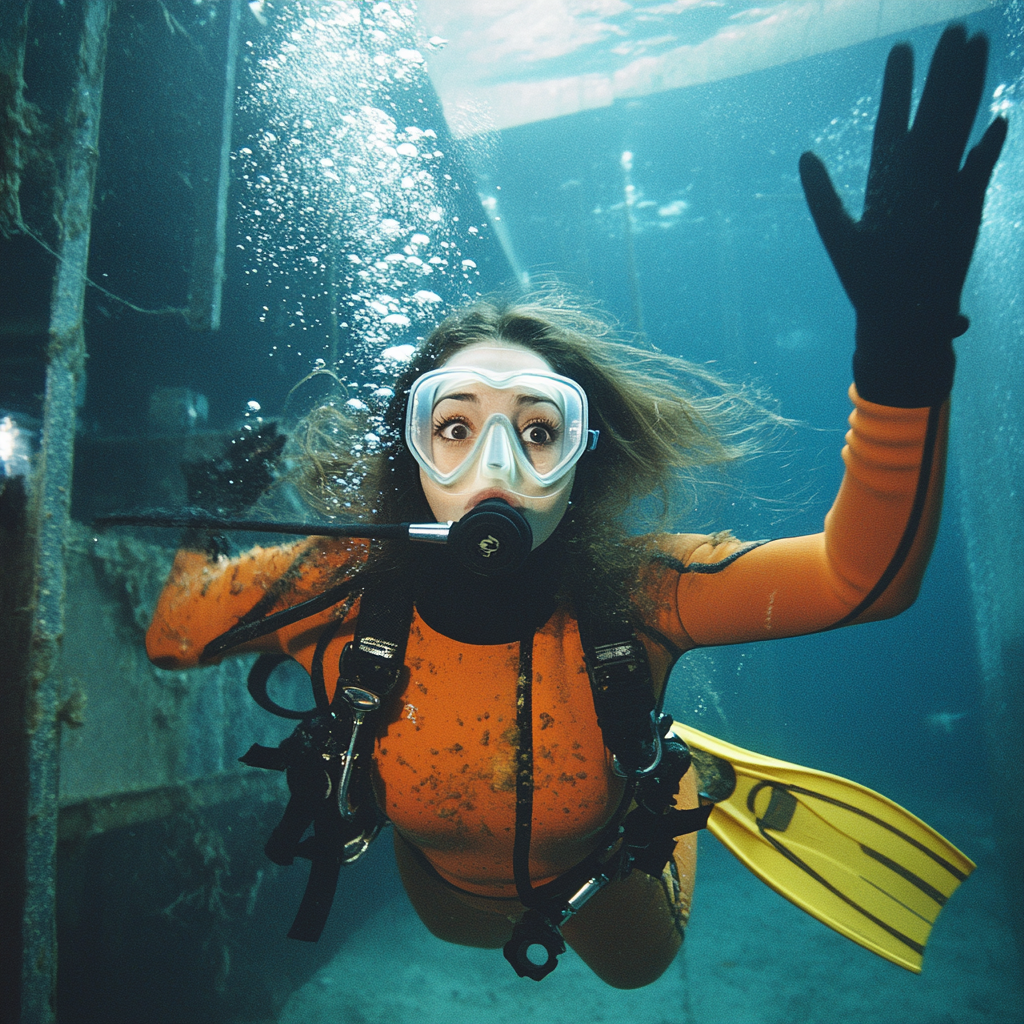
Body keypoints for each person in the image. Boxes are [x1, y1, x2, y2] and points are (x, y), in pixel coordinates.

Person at [145, 26, 1006, 989]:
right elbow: (176, 635)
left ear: (583, 461)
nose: (496, 469)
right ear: (412, 453)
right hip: (444, 892)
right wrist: (206, 528)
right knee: (459, 932)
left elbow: (863, 580)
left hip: (610, 887)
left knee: (638, 970)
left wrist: (902, 362)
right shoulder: (336, 584)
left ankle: (665, 764)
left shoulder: (639, 594)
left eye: (540, 432)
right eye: (456, 428)